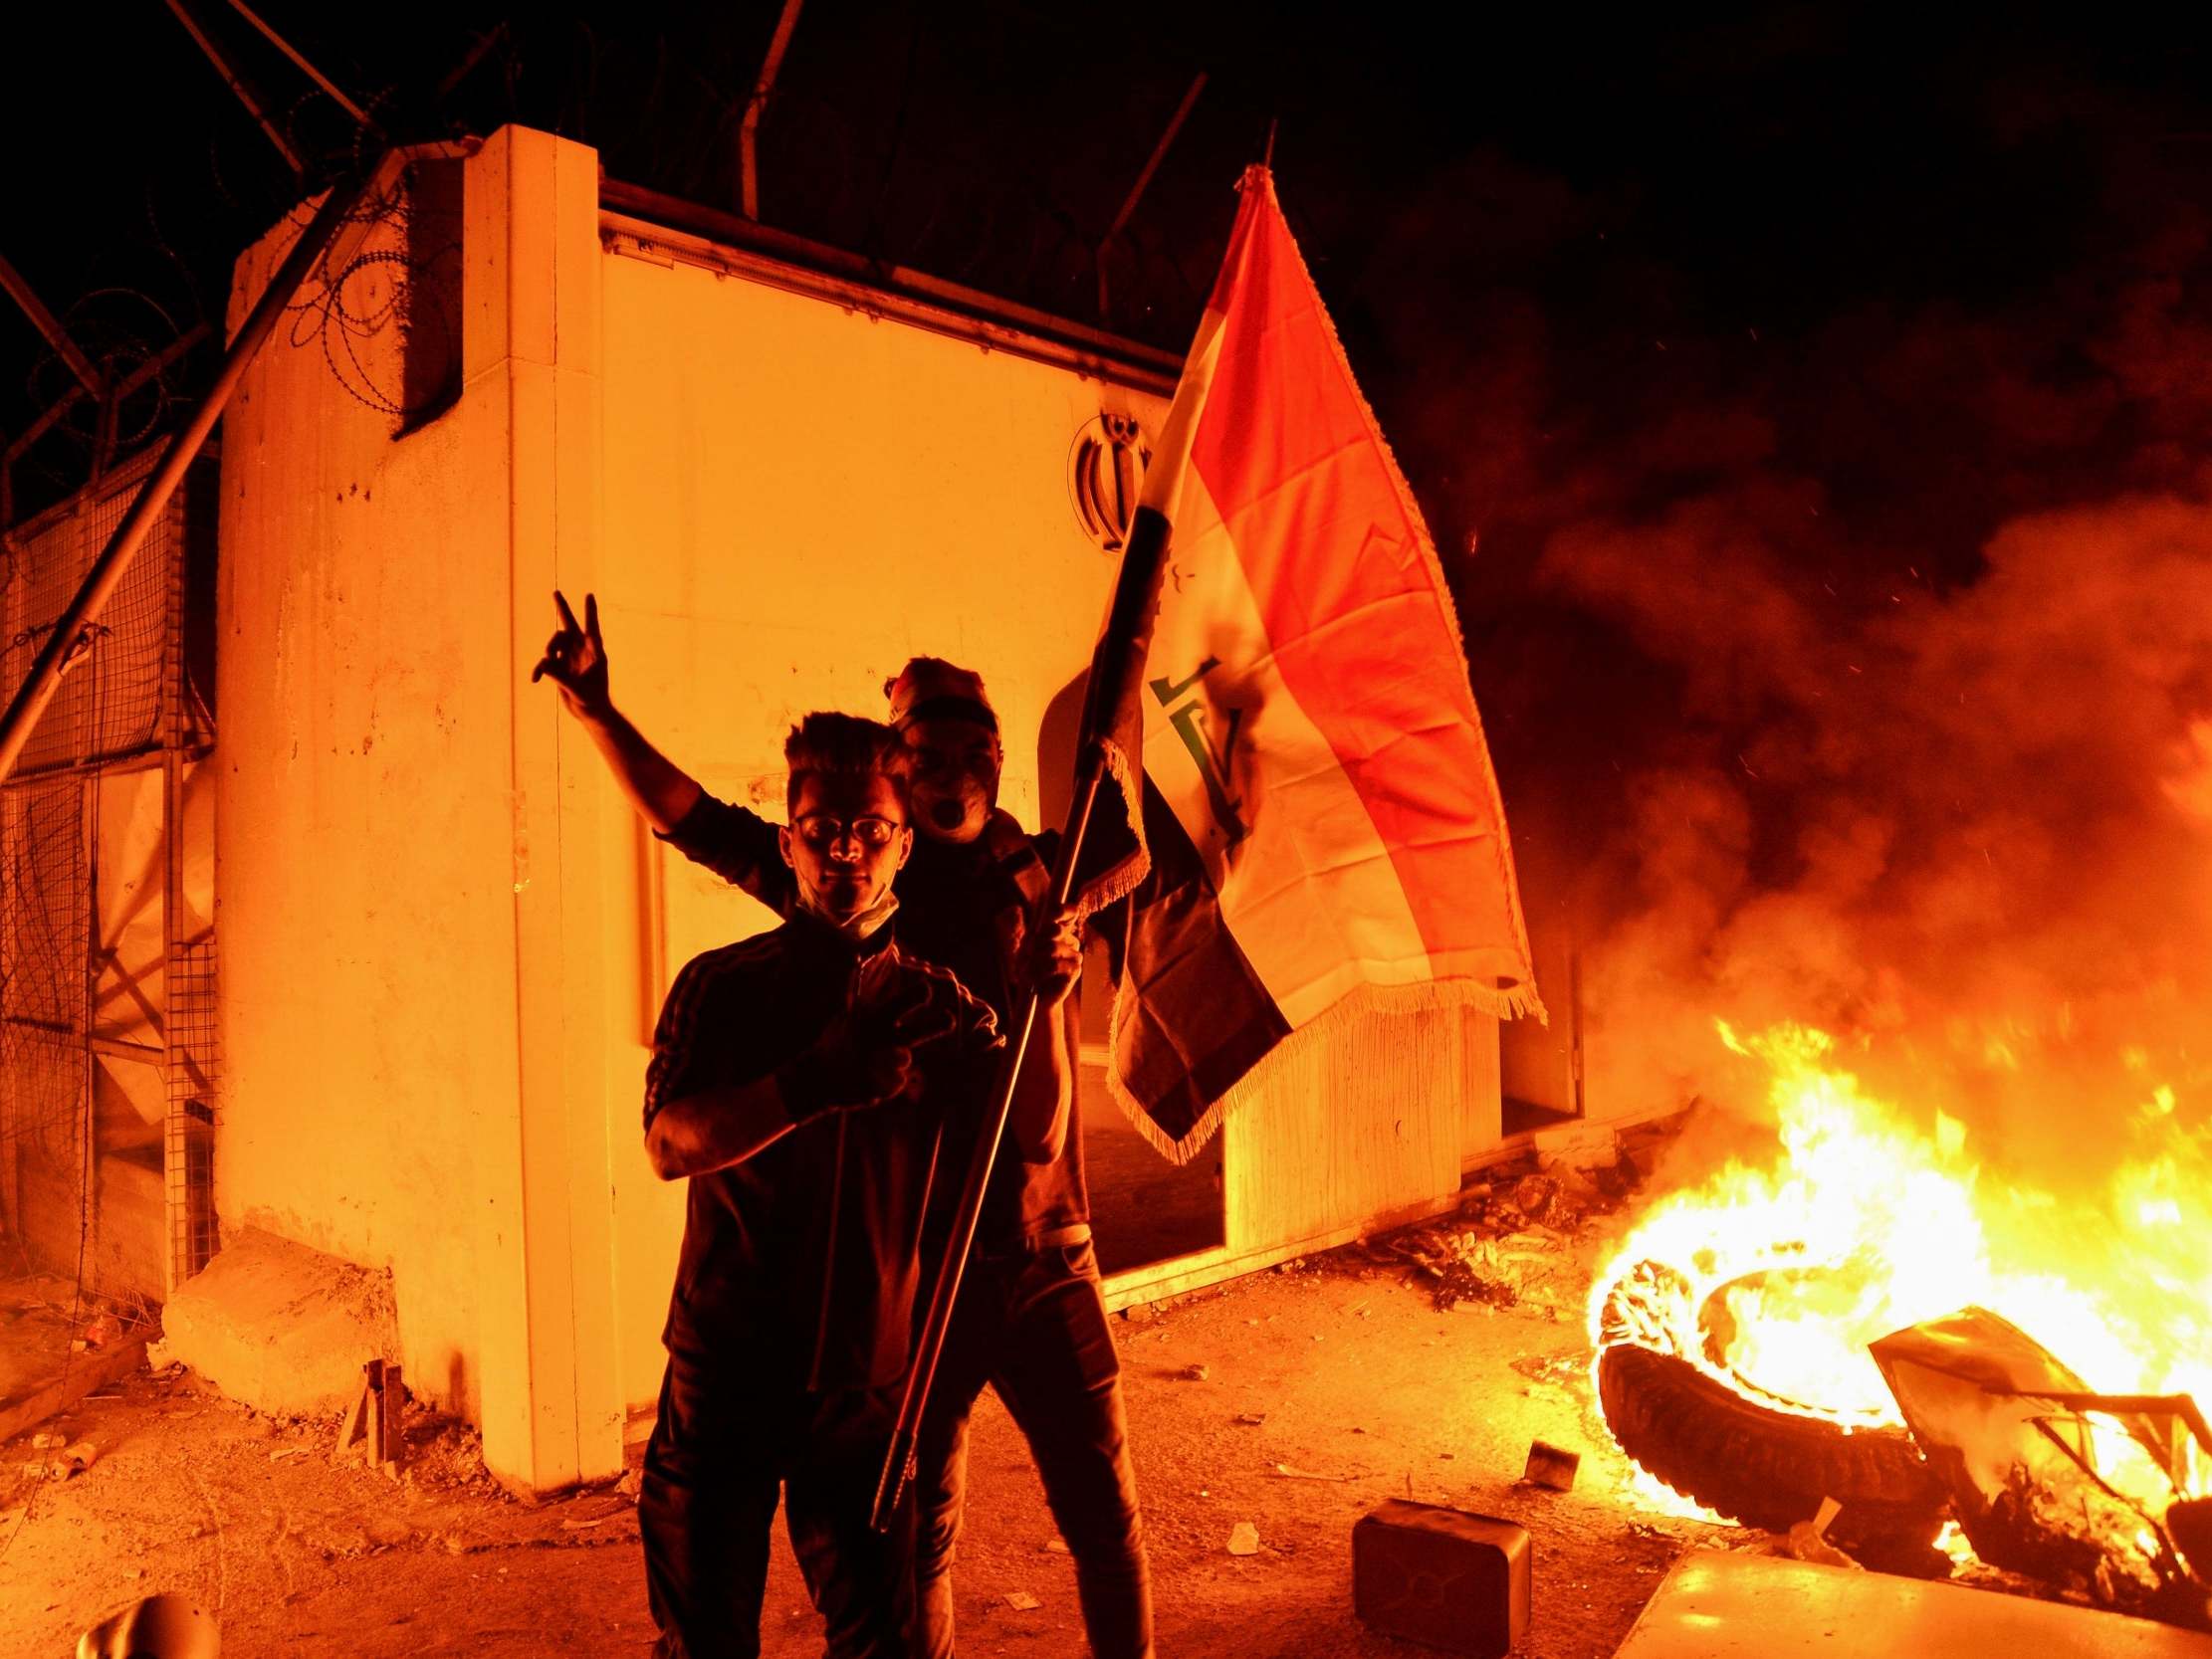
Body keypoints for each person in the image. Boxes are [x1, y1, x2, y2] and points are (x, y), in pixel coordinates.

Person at [536, 594, 1154, 1659]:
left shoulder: (1025, 879)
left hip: (1021, 1259)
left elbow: (1045, 1114)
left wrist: (1055, 970)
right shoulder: (798, 933)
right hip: (857, 1306)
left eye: (967, 747)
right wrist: (598, 713)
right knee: (903, 1557)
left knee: (1077, 1525)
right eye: (921, 748)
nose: (849, 854)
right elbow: (689, 815)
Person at [633, 711, 1075, 1659]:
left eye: (871, 831)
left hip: (867, 1390)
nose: (846, 853)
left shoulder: (943, 1002)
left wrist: (1044, 1003)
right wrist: (814, 1081)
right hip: (726, 1375)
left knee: (881, 1645)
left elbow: (1032, 1133)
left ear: (903, 845)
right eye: (823, 830)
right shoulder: (722, 987)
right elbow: (669, 1145)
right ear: (789, 841)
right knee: (704, 1640)